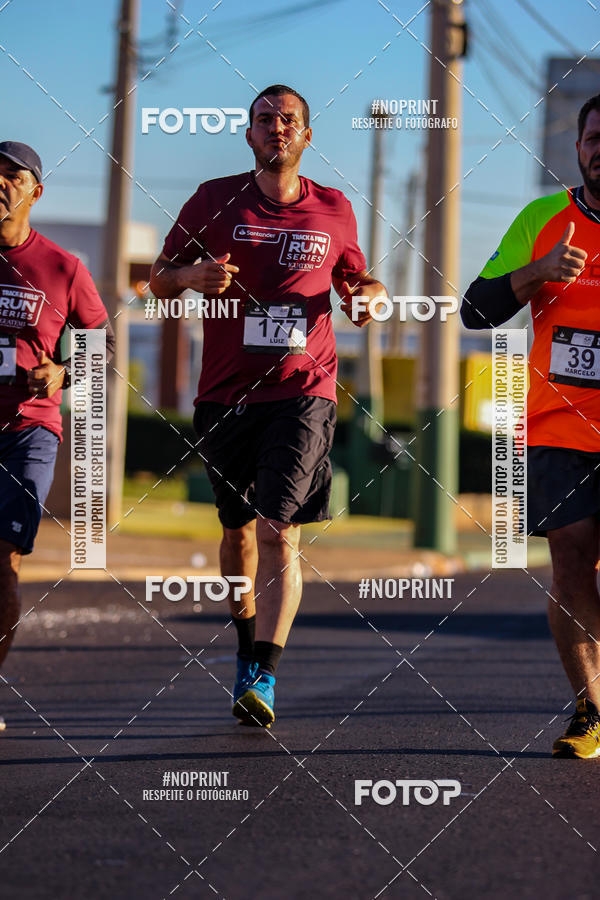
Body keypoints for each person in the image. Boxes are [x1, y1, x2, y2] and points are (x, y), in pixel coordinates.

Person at [150, 84, 386, 728]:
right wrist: (190, 277)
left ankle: (264, 671)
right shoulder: (212, 199)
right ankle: (245, 643)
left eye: (288, 119)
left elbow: (357, 280)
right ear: (249, 134)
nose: (276, 127)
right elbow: (158, 277)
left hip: (303, 390)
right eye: (264, 119)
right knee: (236, 534)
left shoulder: (335, 208)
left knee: (278, 528)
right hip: (225, 394)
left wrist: (371, 296)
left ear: (306, 135)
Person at [461, 94, 600, 758]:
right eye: (595, 138)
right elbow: (475, 311)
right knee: (570, 560)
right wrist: (537, 273)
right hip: (558, 425)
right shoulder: (543, 219)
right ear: (579, 149)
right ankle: (590, 710)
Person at [0, 142, 114, 725]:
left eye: (12, 177)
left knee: (3, 561)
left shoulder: (63, 268)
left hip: (27, 431)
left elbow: (104, 348)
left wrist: (64, 372)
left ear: (35, 192)